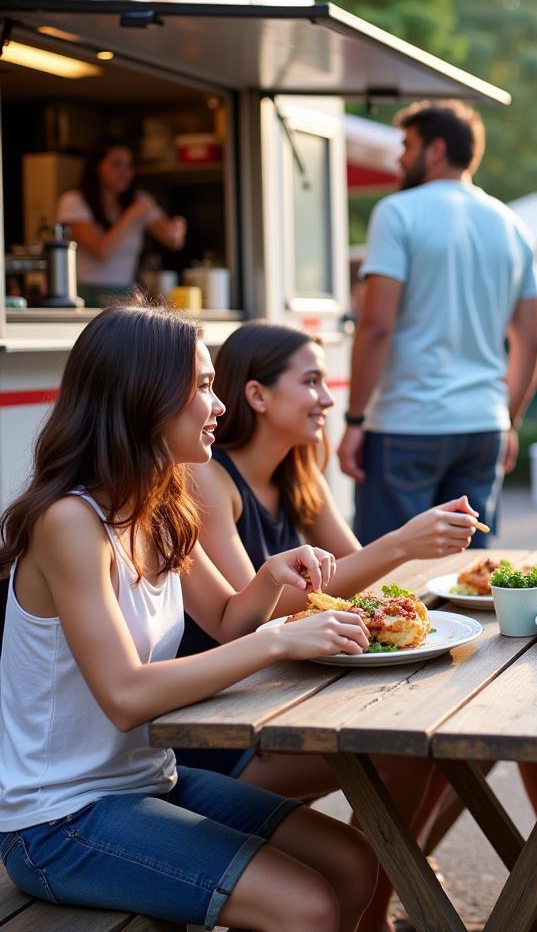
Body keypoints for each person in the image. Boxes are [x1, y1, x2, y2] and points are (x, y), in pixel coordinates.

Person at [0, 298, 378, 931]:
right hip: (58, 819)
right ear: (145, 398)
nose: (220, 405)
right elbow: (124, 695)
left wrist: (268, 578)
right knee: (305, 905)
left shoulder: (162, 505)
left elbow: (230, 618)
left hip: (147, 782)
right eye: (204, 386)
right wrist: (280, 638)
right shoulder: (70, 522)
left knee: (350, 863)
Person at [185, 319, 479, 932]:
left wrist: (403, 556)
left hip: (280, 698)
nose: (327, 398)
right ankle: (373, 911)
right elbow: (252, 616)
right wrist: (402, 542)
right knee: (410, 753)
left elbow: (355, 578)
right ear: (258, 395)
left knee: (433, 743)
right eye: (312, 381)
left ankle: (376, 899)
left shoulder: (297, 470)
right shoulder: (211, 481)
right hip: (219, 727)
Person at [337, 101, 537, 545]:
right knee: (467, 573)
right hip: (483, 423)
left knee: (389, 571)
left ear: (435, 150)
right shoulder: (514, 227)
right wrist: (508, 418)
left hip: (404, 424)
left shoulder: (398, 212)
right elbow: (532, 341)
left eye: (406, 146)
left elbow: (376, 325)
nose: (399, 158)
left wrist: (354, 420)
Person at [57, 138, 187, 307]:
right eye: (116, 164)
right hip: (85, 294)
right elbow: (101, 251)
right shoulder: (73, 201)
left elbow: (171, 241)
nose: (125, 172)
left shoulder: (139, 201)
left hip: (125, 295)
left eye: (129, 165)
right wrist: (132, 215)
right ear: (96, 167)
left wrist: (177, 230)